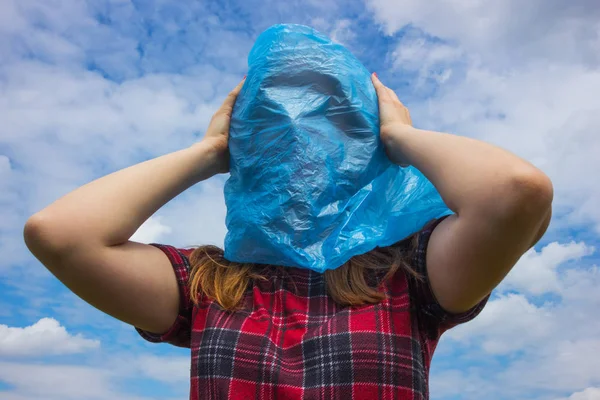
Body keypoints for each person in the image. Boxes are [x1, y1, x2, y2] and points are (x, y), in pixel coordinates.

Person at [24, 73, 553, 400]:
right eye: (275, 132)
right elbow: (60, 235)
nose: (303, 149)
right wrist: (209, 152)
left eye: (336, 131)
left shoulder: (407, 274)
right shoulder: (204, 284)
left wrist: (397, 134)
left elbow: (516, 192)